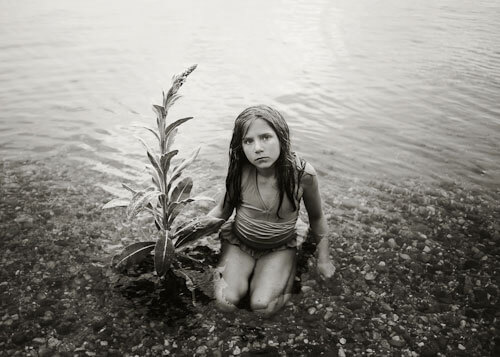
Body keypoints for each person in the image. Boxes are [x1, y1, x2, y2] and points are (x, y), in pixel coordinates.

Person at [208, 105, 335, 316]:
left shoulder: (303, 175)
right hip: (241, 242)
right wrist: (186, 235)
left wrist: (324, 259)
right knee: (225, 303)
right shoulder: (240, 171)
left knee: (263, 307)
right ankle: (245, 273)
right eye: (248, 141)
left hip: (280, 245)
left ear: (281, 137)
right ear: (241, 146)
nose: (258, 148)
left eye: (265, 137)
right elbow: (222, 211)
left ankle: (288, 268)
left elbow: (317, 217)